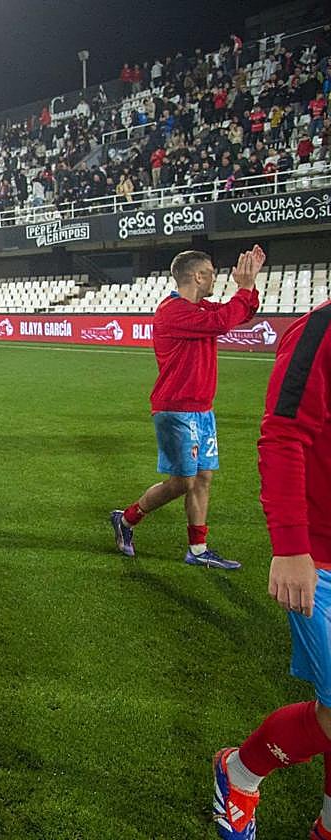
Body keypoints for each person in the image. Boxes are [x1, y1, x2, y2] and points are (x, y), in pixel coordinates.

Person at [210, 296, 331, 840]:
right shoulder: (323, 328)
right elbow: (283, 434)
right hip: (321, 557)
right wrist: (291, 547)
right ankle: (240, 770)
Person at [110, 247, 265, 570]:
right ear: (197, 275)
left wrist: (249, 286)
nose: (215, 277)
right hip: (176, 409)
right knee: (183, 482)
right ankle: (126, 519)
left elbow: (241, 314)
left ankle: (197, 548)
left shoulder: (200, 308)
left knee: (203, 477)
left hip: (202, 409)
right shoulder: (172, 311)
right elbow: (224, 321)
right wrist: (244, 288)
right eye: (211, 272)